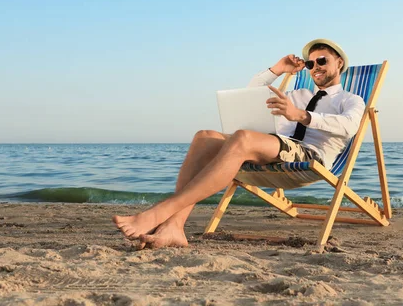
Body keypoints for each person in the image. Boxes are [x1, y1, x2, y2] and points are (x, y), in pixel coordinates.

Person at [113, 39, 366, 249]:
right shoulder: (297, 95)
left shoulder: (350, 100)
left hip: (309, 156)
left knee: (242, 137)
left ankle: (160, 212)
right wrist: (277, 69)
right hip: (275, 147)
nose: (315, 67)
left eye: (322, 60)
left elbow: (349, 125)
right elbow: (252, 94)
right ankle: (174, 226)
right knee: (205, 136)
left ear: (339, 63)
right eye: (311, 63)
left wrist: (300, 115)